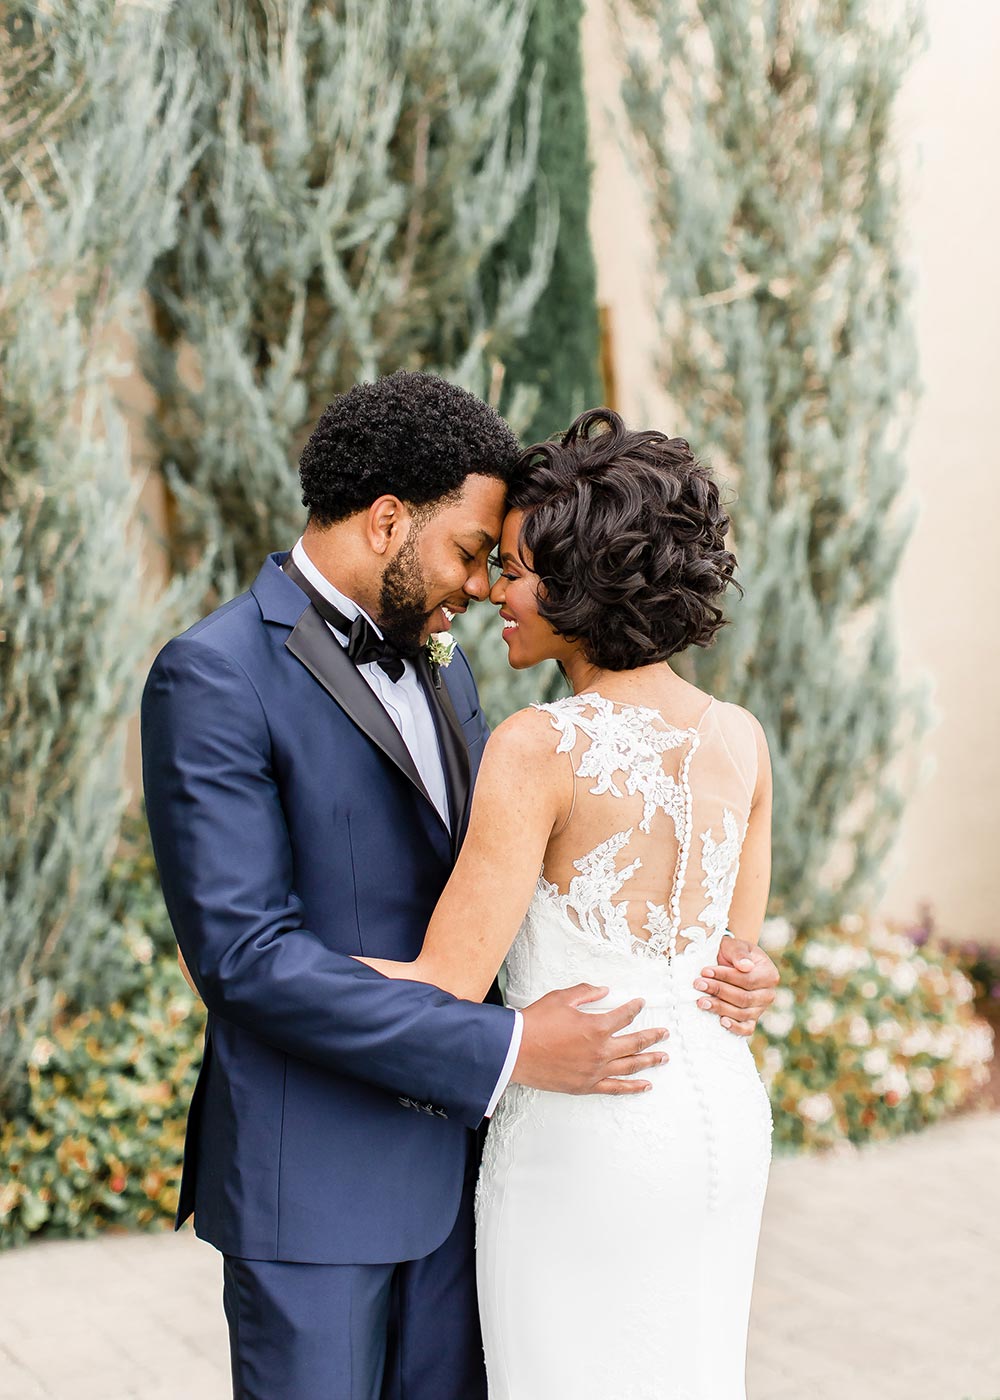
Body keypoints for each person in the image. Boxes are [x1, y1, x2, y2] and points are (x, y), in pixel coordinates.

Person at [142, 372, 779, 1400]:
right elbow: (244, 956)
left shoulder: (453, 672)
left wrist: (717, 965)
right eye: (475, 554)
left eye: (504, 564)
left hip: (479, 1171)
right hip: (319, 1182)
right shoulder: (212, 675)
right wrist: (517, 1042)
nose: (486, 587)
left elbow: (532, 876)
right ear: (388, 520)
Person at [358, 406, 776, 1399]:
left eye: (517, 568)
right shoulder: (738, 736)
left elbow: (446, 982)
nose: (495, 589)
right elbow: (734, 963)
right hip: (719, 1115)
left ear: (584, 584)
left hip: (589, 1138)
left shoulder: (540, 746)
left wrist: (259, 966)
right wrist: (756, 978)